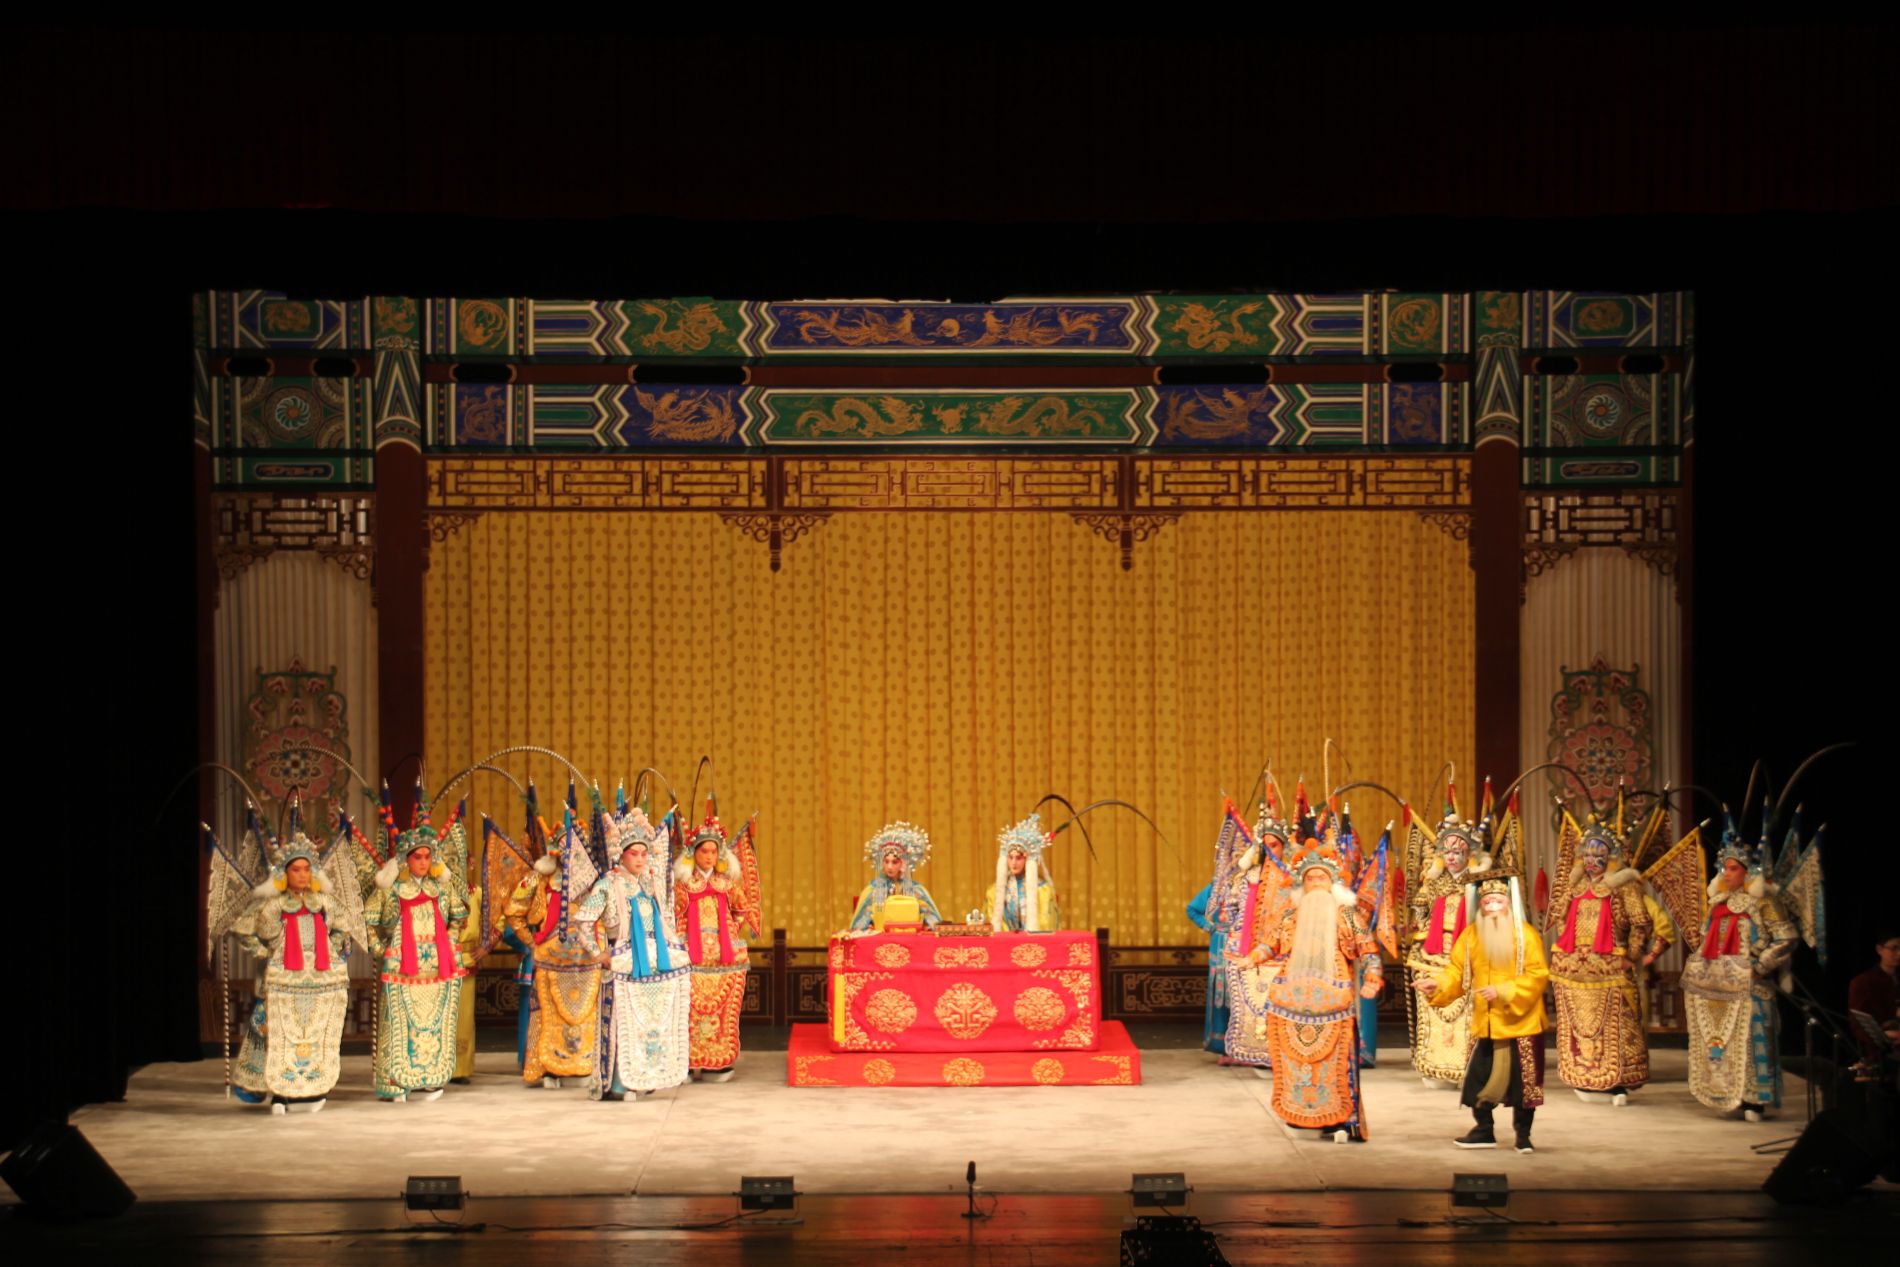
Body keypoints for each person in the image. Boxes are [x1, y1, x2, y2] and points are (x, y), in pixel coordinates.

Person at [228, 803, 359, 1113]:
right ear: (285, 873)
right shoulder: (274, 905)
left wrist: (336, 949)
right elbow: (242, 928)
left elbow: (345, 926)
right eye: (295, 869)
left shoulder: (323, 901)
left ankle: (312, 1088)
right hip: (284, 980)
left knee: (315, 1035)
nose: (302, 875)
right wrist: (264, 952)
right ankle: (282, 1092)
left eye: (306, 869)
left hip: (322, 981)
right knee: (278, 1034)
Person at [1257, 837, 1383, 1142]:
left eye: (1321, 878)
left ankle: (1342, 1121)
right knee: (1295, 1060)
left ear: (1332, 883)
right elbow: (1270, 943)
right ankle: (1302, 1118)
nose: (1315, 883)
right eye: (1310, 878)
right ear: (1302, 883)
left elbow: (1368, 950)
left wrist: (1372, 978)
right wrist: (1252, 957)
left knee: (1338, 1062)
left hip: (1334, 1000)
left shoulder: (1347, 915)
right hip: (1292, 999)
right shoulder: (1291, 914)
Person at [1681, 815, 1800, 1121]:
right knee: (1727, 1040)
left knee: (1753, 1040)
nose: (1726, 873)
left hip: (1753, 985)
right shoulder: (1718, 904)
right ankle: (1730, 1094)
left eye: (1733, 868)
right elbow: (1707, 940)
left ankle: (1755, 1100)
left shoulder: (1764, 903)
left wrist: (1761, 964)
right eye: (1724, 868)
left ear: (1748, 872)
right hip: (1722, 987)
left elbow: (1787, 937)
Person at [1420, 876, 1549, 1153]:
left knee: (1524, 1086)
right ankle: (1483, 1130)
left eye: (1498, 902)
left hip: (1521, 1021)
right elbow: (1456, 973)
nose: (1492, 907)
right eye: (1487, 902)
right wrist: (1437, 985)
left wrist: (1503, 991)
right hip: (1485, 1022)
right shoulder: (1470, 936)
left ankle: (1523, 1136)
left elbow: (1538, 975)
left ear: (1508, 905)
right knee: (1476, 1080)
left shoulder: (1525, 935)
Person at [1545, 806, 1664, 1103]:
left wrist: (1632, 955)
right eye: (1587, 854)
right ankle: (1584, 1076)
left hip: (1611, 967)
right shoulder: (1577, 885)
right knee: (1579, 1024)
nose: (1592, 860)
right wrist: (1565, 943)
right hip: (1574, 969)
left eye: (1599, 855)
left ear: (1610, 857)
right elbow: (1559, 914)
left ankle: (1617, 1082)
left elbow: (1641, 923)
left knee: (1619, 1025)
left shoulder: (1624, 886)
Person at [365, 783, 471, 1103]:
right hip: (402, 966)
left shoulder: (443, 887)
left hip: (437, 965)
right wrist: (381, 950)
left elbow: (458, 916)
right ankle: (395, 1081)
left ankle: (429, 1077)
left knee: (433, 1023)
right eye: (417, 857)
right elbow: (367, 921)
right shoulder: (390, 889)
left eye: (427, 857)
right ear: (406, 859)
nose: (423, 862)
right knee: (398, 1023)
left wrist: (451, 943)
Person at [578, 804, 690, 1099]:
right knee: (620, 1021)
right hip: (623, 963)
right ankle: (620, 1083)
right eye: (634, 854)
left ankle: (645, 1076)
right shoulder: (607, 885)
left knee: (650, 1020)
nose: (640, 859)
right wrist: (597, 954)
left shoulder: (650, 884)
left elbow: (663, 921)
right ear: (621, 855)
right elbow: (583, 923)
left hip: (653, 964)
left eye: (643, 854)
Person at [504, 805, 603, 1088]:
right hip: (550, 960)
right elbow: (513, 910)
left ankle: (587, 1065)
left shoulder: (595, 882)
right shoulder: (538, 879)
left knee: (586, 1016)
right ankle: (548, 1068)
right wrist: (531, 942)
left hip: (588, 961)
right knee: (548, 1014)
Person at [1405, 787, 1496, 1085]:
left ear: (1470, 854)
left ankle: (1467, 1067)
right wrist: (1418, 920)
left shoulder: (1481, 884)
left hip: (1469, 958)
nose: (1453, 857)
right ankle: (1433, 1065)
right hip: (1434, 954)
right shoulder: (1434, 883)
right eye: (1448, 852)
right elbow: (1420, 907)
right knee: (1431, 1012)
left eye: (1459, 852)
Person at [675, 802, 759, 1081]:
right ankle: (687, 1062)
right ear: (694, 853)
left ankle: (718, 1062)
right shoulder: (684, 884)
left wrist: (731, 932)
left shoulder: (728, 883)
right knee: (688, 1010)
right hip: (691, 956)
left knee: (723, 1010)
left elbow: (742, 909)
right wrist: (681, 940)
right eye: (703, 851)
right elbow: (675, 914)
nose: (709, 857)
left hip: (724, 957)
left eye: (713, 851)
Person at [849, 822, 942, 931]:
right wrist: (869, 927)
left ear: (903, 863)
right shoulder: (873, 890)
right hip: (880, 941)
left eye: (894, 862)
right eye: (886, 861)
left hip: (910, 939)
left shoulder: (916, 890)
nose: (889, 866)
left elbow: (935, 922)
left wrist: (927, 927)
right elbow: (858, 926)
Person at [986, 814, 1061, 932]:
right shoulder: (994, 892)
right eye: (1010, 857)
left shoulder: (1043, 890)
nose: (1014, 863)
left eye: (1019, 858)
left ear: (1027, 859)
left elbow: (1047, 926)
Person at [1847, 931, 1900, 1061]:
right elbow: (1858, 1025)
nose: (1899, 954)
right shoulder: (1862, 982)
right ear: (1879, 949)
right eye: (1894, 948)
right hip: (1882, 1050)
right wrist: (1885, 1036)